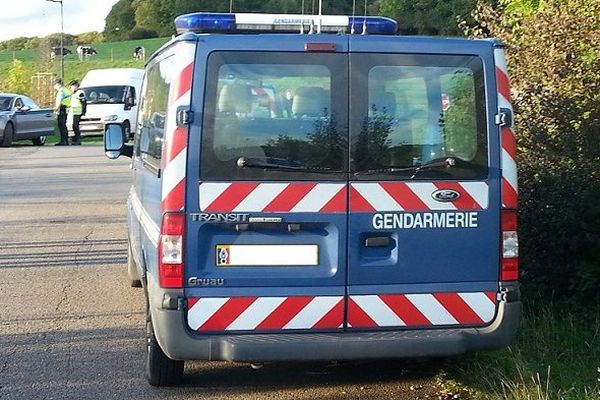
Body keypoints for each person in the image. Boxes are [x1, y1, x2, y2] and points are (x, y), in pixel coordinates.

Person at [53, 79, 71, 146]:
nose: (54, 87)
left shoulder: (61, 91)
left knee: (61, 125)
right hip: (66, 108)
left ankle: (63, 141)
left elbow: (59, 101)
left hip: (62, 109)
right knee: (64, 125)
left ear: (58, 84)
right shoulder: (66, 90)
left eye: (55, 85)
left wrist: (56, 108)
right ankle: (66, 140)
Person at [69, 80, 86, 145]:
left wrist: (83, 111)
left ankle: (78, 139)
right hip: (75, 112)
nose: (71, 88)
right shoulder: (75, 93)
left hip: (78, 112)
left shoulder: (80, 93)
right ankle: (75, 138)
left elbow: (83, 102)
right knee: (74, 126)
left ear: (76, 86)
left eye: (72, 87)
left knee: (75, 126)